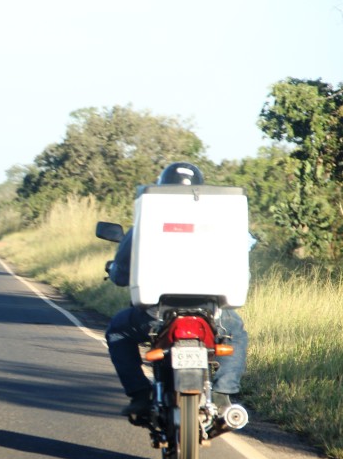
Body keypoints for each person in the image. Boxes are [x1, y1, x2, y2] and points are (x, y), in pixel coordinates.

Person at [104, 161, 248, 418]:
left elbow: (121, 273)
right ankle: (223, 395)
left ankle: (139, 395)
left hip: (155, 315)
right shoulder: (221, 223)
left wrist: (115, 271)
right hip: (212, 314)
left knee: (118, 331)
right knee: (235, 333)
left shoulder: (145, 226)